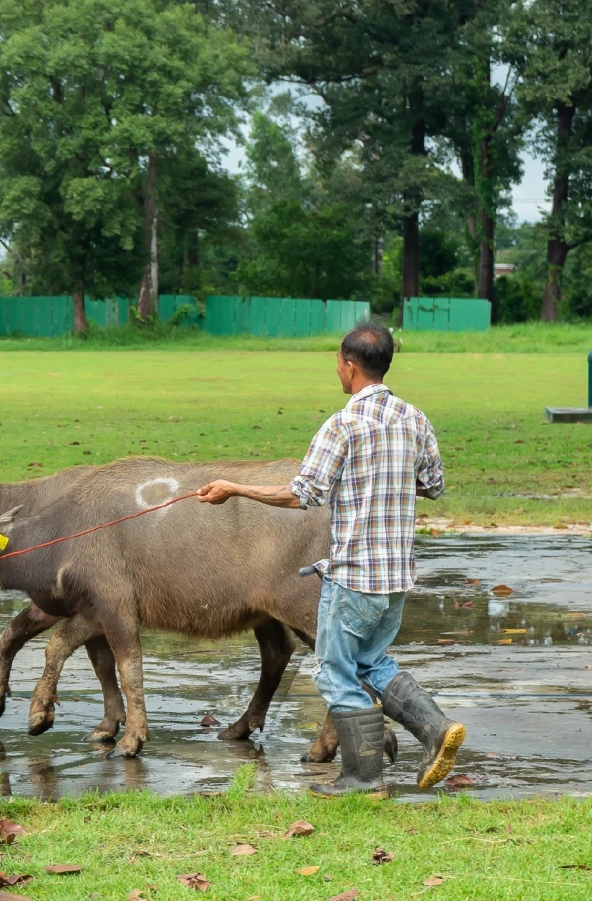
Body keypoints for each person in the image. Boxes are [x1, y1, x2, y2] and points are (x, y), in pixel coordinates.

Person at [195, 324, 462, 795]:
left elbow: (304, 493)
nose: (336, 369)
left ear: (350, 366)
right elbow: (433, 485)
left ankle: (363, 778)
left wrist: (235, 488)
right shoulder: (414, 418)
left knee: (334, 671)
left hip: (354, 574)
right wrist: (388, 481)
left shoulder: (343, 423)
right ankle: (436, 729)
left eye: (338, 362)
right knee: (369, 662)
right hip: (397, 576)